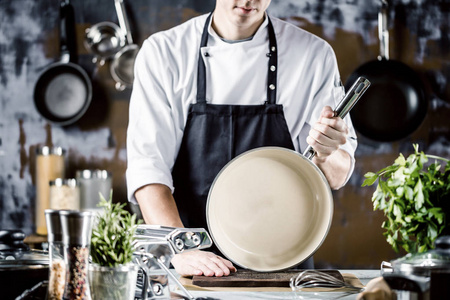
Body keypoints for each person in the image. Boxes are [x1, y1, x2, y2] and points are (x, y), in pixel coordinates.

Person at [126, 0, 357, 277]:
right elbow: (148, 169)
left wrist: (325, 153)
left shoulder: (313, 55)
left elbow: (337, 175)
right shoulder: (164, 52)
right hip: (191, 262)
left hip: (283, 263)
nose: (249, 0)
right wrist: (180, 249)